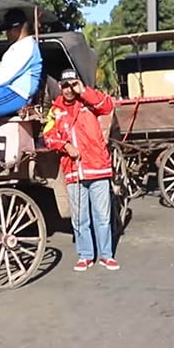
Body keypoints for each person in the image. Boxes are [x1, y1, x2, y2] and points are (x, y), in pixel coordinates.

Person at [42, 69, 120, 272]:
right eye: (65, 86)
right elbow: (48, 136)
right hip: (73, 171)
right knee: (79, 217)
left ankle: (106, 255)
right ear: (60, 86)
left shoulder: (89, 103)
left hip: (98, 168)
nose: (69, 90)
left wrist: (84, 90)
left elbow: (107, 106)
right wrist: (65, 146)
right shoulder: (55, 110)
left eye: (72, 85)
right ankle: (85, 255)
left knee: (102, 216)